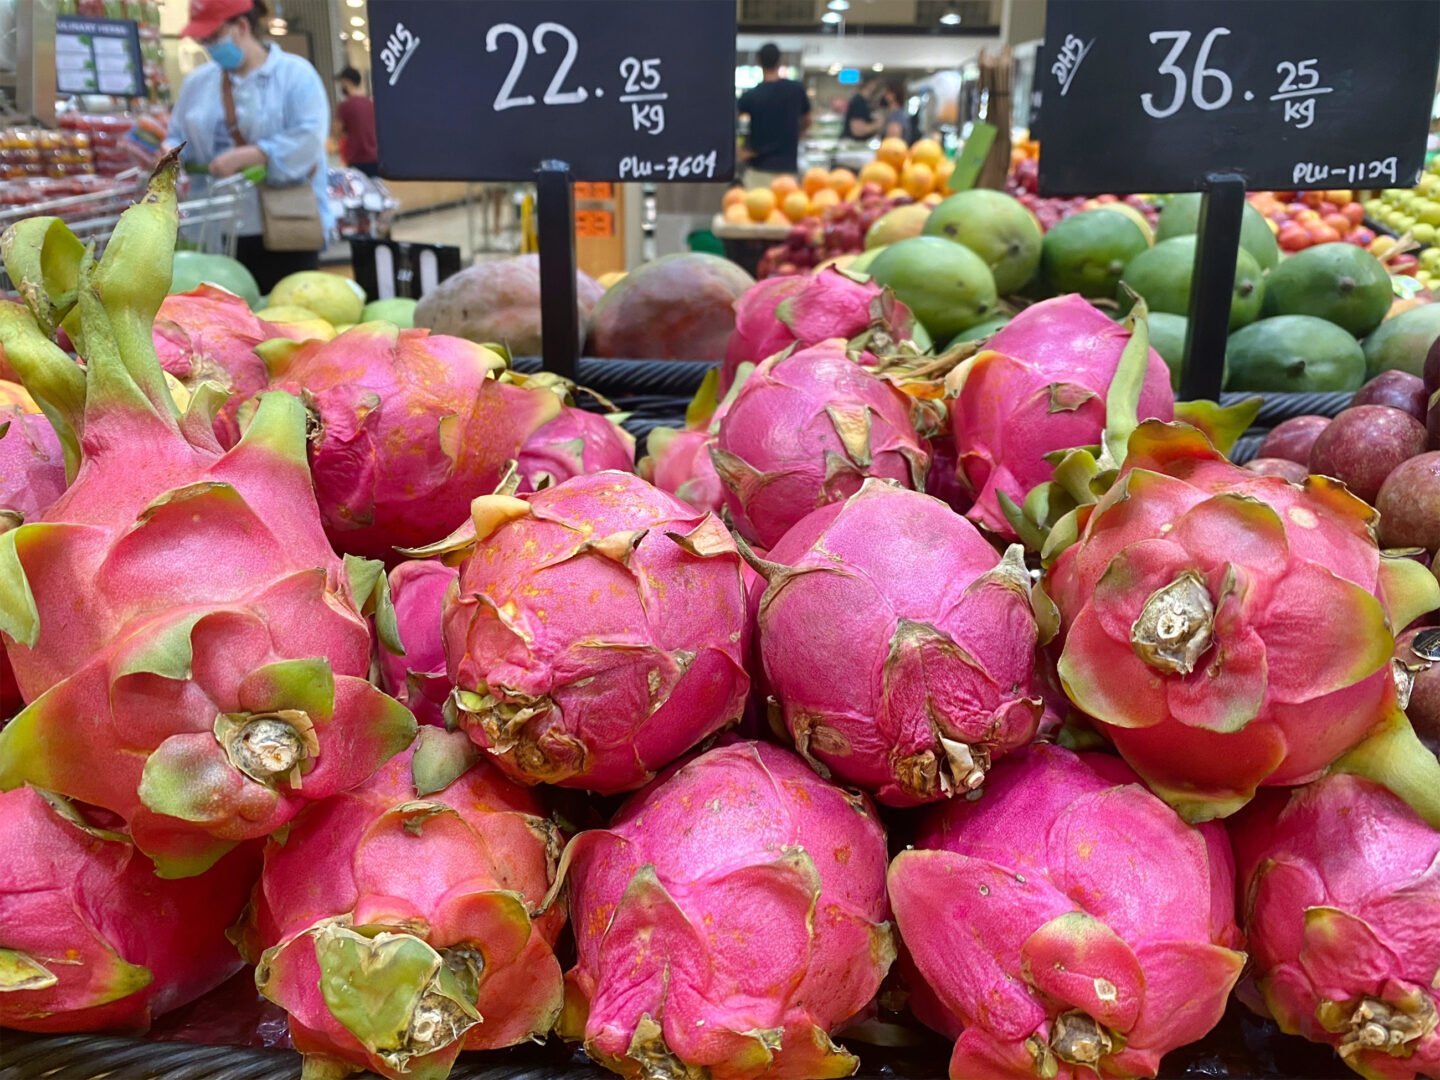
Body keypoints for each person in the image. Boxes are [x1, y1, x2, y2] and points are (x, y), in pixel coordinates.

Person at [165, 0, 331, 293]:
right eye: (203, 40)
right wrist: (166, 155)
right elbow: (177, 134)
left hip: (281, 227)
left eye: (213, 38)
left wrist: (256, 154)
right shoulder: (197, 84)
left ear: (241, 27)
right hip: (214, 231)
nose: (208, 47)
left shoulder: (296, 75)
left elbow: (309, 139)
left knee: (286, 315)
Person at [736, 43, 810, 188]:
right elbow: (807, 120)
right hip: (788, 170)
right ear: (780, 61)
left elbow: (729, 124)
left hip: (759, 169)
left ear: (758, 61)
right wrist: (797, 134)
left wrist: (741, 151)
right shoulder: (796, 90)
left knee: (757, 209)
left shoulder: (751, 96)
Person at [334, 66, 379, 177]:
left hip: (356, 160)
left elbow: (336, 133)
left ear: (347, 82)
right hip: (375, 159)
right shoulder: (371, 103)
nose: (341, 86)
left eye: (341, 82)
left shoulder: (345, 106)